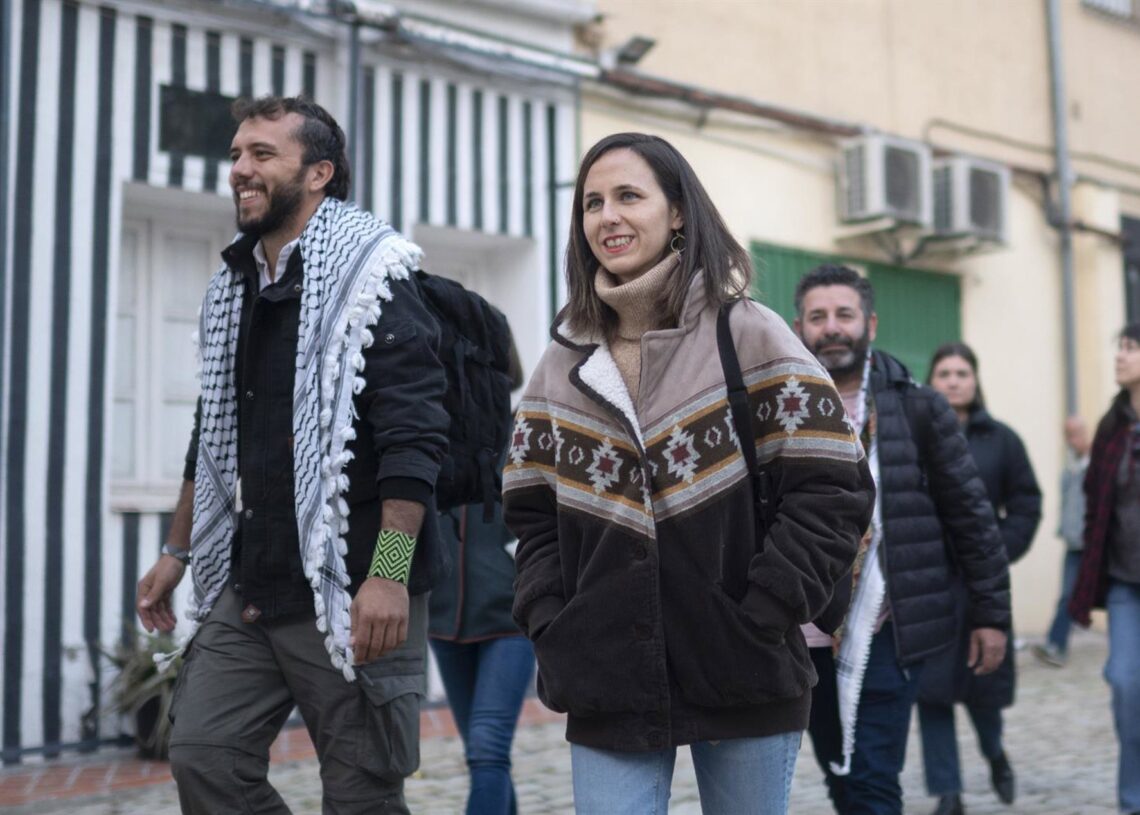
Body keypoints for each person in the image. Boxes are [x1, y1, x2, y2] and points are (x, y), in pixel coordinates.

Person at [502, 132, 874, 815]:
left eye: (627, 196)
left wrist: (768, 606)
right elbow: (530, 513)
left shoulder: (748, 332)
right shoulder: (563, 362)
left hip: (743, 663)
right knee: (482, 745)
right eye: (591, 203)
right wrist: (552, 618)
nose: (606, 216)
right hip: (604, 671)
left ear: (678, 212)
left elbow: (833, 485)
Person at [134, 95, 450, 814]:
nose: (240, 170)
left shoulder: (376, 279)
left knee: (362, 793)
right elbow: (213, 431)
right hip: (253, 582)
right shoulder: (234, 287)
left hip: (354, 589)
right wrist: (178, 550)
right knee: (202, 756)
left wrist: (389, 576)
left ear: (318, 173)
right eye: (237, 155)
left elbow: (415, 438)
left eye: (262, 155)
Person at [793, 265, 1011, 815]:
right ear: (799, 328)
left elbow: (971, 516)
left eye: (844, 314)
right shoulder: (779, 408)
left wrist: (990, 615)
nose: (832, 328)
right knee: (838, 772)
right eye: (818, 317)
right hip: (801, 632)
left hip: (888, 625)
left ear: (869, 322)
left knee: (870, 774)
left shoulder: (918, 407)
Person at [917, 342, 1042, 815]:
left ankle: (995, 754)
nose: (952, 381)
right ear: (932, 382)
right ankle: (948, 793)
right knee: (930, 694)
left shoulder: (1002, 440)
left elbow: (1026, 505)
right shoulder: (914, 437)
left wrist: (995, 552)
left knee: (982, 689)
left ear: (975, 381)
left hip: (981, 588)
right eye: (944, 372)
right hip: (928, 583)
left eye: (961, 373)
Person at [428, 344, 536, 815]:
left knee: (487, 748)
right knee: (484, 757)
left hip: (510, 619)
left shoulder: (526, 434)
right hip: (443, 620)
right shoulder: (426, 439)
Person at [1070, 323, 1140, 815]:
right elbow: (1096, 504)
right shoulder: (1112, 426)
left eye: (1132, 347)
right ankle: (1132, 800)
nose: (1121, 355)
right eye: (1120, 346)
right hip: (1125, 583)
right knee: (1124, 682)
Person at [1033, 415, 1091, 667]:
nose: (1072, 439)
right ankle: (1055, 645)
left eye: (1077, 433)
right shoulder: (1070, 468)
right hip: (1074, 543)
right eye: (1068, 434)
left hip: (1098, 544)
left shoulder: (1100, 465)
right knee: (1067, 595)